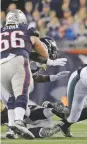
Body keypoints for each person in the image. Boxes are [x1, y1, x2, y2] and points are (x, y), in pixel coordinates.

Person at [1, 36, 70, 139]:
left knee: (27, 115)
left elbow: (32, 76)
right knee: (23, 114)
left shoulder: (26, 56)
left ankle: (48, 113)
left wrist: (51, 78)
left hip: (8, 88)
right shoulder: (26, 53)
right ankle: (49, 111)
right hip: (6, 89)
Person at [0, 9, 48, 139]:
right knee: (22, 93)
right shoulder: (28, 29)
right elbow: (43, 54)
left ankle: (11, 128)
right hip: (18, 62)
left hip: (1, 65)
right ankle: (19, 122)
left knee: (11, 96)